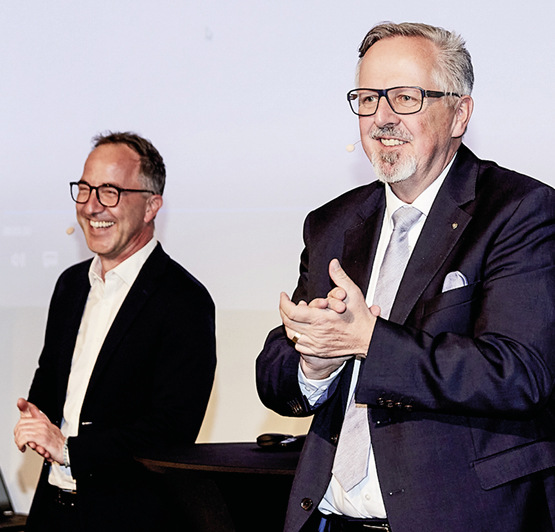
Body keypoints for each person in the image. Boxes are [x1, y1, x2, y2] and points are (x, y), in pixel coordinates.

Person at [256, 22, 555, 532]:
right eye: (367, 99)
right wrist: (314, 362)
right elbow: (275, 372)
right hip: (329, 519)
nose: (382, 118)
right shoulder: (332, 223)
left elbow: (519, 372)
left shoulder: (519, 210)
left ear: (459, 112)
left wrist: (371, 341)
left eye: (405, 97)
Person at [14, 131, 217, 531]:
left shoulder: (184, 300)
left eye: (109, 191)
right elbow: (50, 382)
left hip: (129, 518)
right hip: (50, 512)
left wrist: (70, 449)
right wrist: (36, 419)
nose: (91, 206)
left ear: (151, 206)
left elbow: (171, 429)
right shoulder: (70, 286)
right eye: (85, 189)